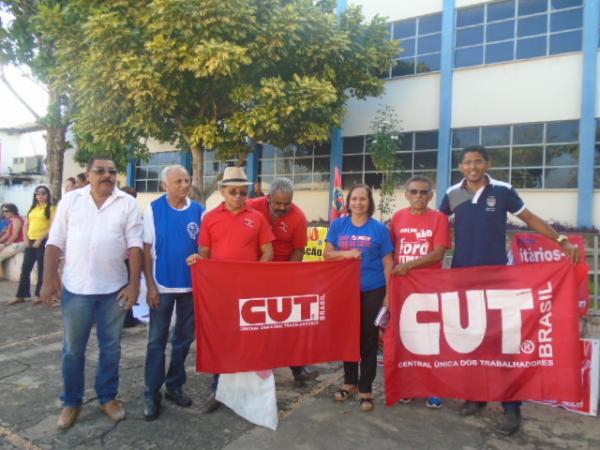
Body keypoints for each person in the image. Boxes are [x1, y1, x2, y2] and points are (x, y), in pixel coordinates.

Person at [439, 145, 580, 436]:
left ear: (487, 163)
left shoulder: (503, 190)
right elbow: (434, 226)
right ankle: (475, 397)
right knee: (472, 340)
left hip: (497, 278)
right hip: (463, 277)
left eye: (479, 161)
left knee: (505, 344)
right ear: (461, 166)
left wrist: (560, 239)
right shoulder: (453, 193)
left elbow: (529, 218)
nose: (473, 167)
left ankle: (511, 407)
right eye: (468, 162)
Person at [40, 155, 143, 430]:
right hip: (76, 289)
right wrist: (49, 279)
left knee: (111, 349)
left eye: (112, 171)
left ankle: (107, 398)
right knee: (73, 350)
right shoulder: (72, 201)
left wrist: (135, 285)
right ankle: (72, 401)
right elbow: (55, 241)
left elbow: (135, 246)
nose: (107, 175)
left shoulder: (128, 203)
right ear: (89, 174)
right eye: (100, 171)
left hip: (114, 290)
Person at [186, 166, 274, 414]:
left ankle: (247, 390)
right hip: (220, 292)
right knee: (221, 338)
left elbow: (268, 251)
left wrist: (256, 273)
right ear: (222, 191)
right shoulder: (210, 218)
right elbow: (204, 253)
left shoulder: (257, 218)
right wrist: (197, 261)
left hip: (248, 292)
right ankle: (219, 390)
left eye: (242, 192)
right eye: (233, 191)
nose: (238, 196)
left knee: (247, 338)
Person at [142, 165, 205, 421]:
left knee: (183, 340)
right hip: (163, 286)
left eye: (187, 180)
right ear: (164, 185)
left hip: (191, 287)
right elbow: (146, 249)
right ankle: (151, 391)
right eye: (178, 181)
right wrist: (151, 286)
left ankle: (174, 385)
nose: (184, 184)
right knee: (157, 340)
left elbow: (205, 248)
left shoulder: (199, 211)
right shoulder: (153, 209)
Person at [324, 184, 394, 412]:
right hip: (345, 291)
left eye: (363, 199)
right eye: (354, 199)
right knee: (348, 337)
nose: (358, 203)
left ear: (369, 202)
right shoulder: (338, 224)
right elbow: (327, 254)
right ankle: (349, 382)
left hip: (373, 290)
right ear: (348, 201)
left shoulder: (379, 229)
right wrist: (346, 253)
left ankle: (366, 388)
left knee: (368, 339)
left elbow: (388, 263)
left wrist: (388, 295)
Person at [247, 177, 319, 386]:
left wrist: (286, 278)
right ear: (268, 198)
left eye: (286, 203)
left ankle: (297, 367)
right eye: (277, 203)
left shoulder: (298, 217)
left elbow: (299, 250)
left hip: (282, 274)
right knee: (254, 324)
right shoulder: (252, 207)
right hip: (255, 272)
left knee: (285, 323)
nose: (282, 208)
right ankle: (251, 368)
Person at [389, 175, 451, 409]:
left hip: (429, 287)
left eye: (423, 192)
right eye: (413, 192)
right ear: (406, 194)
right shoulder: (398, 218)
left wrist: (408, 266)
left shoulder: (439, 219)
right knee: (406, 338)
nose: (418, 196)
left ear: (430, 196)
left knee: (431, 339)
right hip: (403, 289)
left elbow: (438, 253)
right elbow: (392, 252)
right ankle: (407, 385)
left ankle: (434, 388)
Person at [9, 186, 55, 305]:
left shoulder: (51, 208)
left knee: (41, 269)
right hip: (30, 240)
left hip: (43, 241)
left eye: (43, 193)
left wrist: (40, 239)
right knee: (25, 269)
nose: (40, 196)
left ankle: (37, 295)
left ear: (47, 195)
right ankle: (21, 295)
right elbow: (26, 225)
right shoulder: (32, 209)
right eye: (37, 193)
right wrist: (26, 239)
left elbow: (52, 227)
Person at [120, 186, 144, 329]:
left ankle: (128, 317)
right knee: (128, 286)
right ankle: (127, 318)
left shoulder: (133, 212)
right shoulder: (129, 213)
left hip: (128, 256)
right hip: (128, 257)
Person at [0, 204, 24, 280]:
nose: (4, 213)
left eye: (6, 211)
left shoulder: (16, 219)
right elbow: (7, 235)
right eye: (3, 211)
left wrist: (5, 245)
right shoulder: (11, 220)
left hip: (19, 244)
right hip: (14, 243)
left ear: (13, 211)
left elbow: (14, 235)